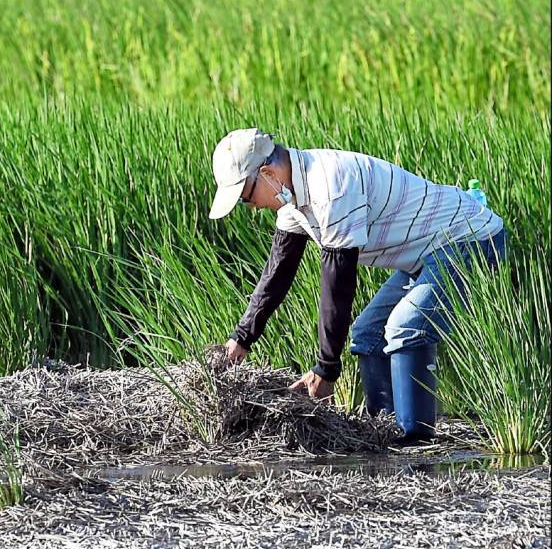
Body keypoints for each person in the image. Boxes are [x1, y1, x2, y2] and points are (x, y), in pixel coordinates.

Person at [209, 128, 507, 443]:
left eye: (246, 196)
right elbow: (278, 271)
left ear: (267, 173)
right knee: (367, 333)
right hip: (426, 253)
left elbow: (337, 282)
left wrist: (326, 369)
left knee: (406, 327)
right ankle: (385, 432)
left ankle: (416, 441)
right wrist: (241, 338)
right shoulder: (293, 198)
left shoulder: (331, 187)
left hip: (470, 239)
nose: (252, 206)